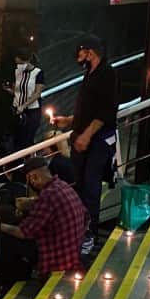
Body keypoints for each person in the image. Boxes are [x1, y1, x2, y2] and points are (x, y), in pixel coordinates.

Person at [52, 36, 118, 255]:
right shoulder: (89, 73)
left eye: (81, 52)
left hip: (97, 141)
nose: (78, 57)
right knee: (79, 185)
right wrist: (69, 121)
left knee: (90, 188)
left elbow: (105, 111)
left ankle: (89, 236)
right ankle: (78, 230)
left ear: (90, 52)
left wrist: (87, 135)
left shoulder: (107, 74)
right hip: (83, 137)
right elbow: (88, 109)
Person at [0, 156, 87, 290]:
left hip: (56, 258)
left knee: (5, 237)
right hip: (73, 250)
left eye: (29, 179)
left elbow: (23, 232)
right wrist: (33, 203)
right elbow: (85, 216)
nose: (30, 183)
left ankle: (8, 280)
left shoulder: (47, 196)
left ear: (34, 177)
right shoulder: (62, 186)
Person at [6, 48, 45, 151]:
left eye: (20, 63)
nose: (18, 65)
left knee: (28, 139)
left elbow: (37, 93)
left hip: (32, 111)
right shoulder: (17, 72)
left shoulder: (38, 73)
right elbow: (17, 91)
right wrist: (9, 90)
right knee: (16, 139)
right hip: (17, 110)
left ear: (27, 61)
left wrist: (24, 106)